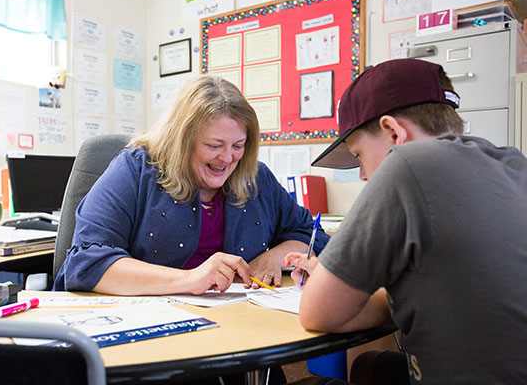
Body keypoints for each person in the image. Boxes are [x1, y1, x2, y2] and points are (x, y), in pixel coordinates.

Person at [285, 58, 527, 384]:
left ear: (393, 132)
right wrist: (349, 282)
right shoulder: (513, 163)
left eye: (358, 156)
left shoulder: (407, 164)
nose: (364, 175)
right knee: (370, 366)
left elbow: (316, 313)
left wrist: (341, 289)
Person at [53, 74, 329, 296]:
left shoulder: (256, 178)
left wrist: (276, 256)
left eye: (238, 146)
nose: (227, 158)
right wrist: (189, 279)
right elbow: (86, 262)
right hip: (146, 332)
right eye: (214, 145)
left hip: (235, 326)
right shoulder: (135, 170)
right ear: (182, 140)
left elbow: (311, 233)